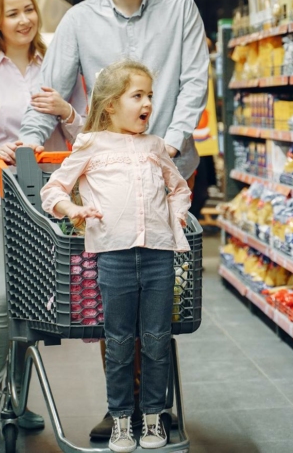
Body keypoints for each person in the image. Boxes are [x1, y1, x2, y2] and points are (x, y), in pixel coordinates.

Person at [19, 0, 209, 440]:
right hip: (104, 179)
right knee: (114, 297)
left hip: (168, 165)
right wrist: (25, 147)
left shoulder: (181, 9)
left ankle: (154, 405)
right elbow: (50, 92)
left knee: (162, 297)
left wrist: (166, 144)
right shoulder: (80, 21)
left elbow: (195, 80)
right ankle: (121, 407)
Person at [40, 59, 191, 453]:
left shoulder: (156, 147)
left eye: (150, 96)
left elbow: (178, 189)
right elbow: (53, 189)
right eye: (137, 95)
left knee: (157, 340)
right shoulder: (91, 145)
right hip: (113, 256)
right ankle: (122, 420)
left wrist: (174, 219)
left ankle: (154, 415)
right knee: (121, 341)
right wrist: (73, 210)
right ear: (110, 105)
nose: (147, 104)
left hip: (159, 255)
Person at [0, 0, 84, 439]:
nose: (24, 19)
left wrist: (66, 110)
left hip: (42, 201)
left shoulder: (57, 66)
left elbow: (84, 133)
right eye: (12, 12)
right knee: (0, 297)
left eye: (28, 9)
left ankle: (18, 400)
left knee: (30, 302)